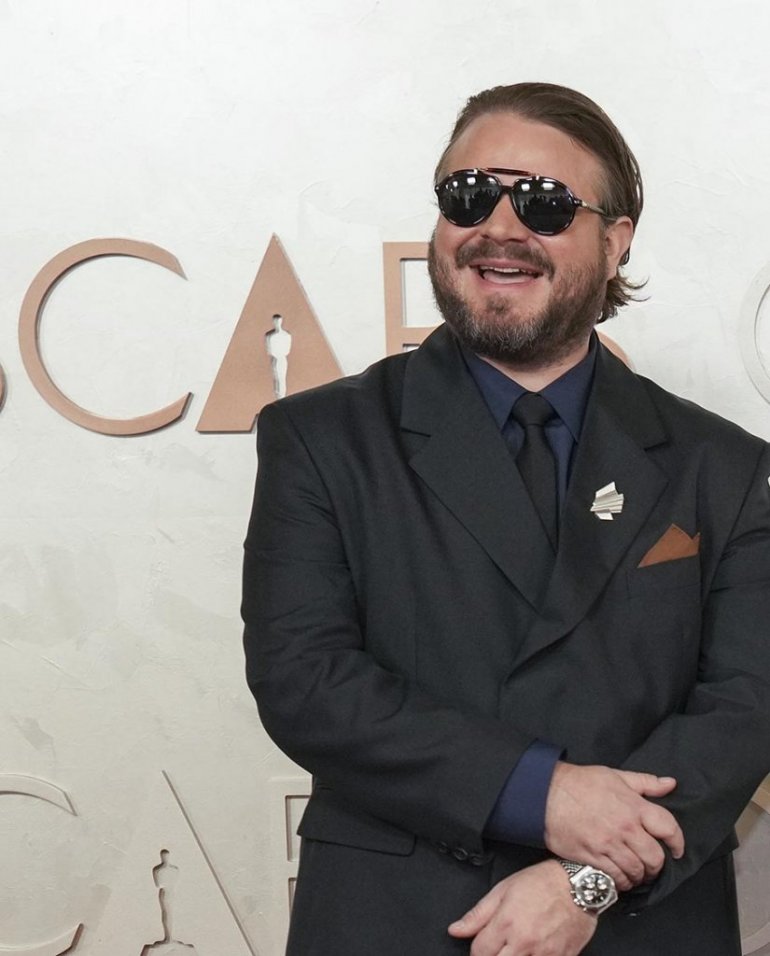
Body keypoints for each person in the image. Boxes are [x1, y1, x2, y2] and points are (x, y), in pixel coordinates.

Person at [242, 82, 770, 955]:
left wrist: (589, 880)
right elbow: (306, 680)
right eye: (468, 195)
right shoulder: (322, 439)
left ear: (615, 242)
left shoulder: (726, 465)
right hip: (397, 920)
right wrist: (541, 794)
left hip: (640, 925)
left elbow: (747, 707)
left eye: (544, 203)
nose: (498, 227)